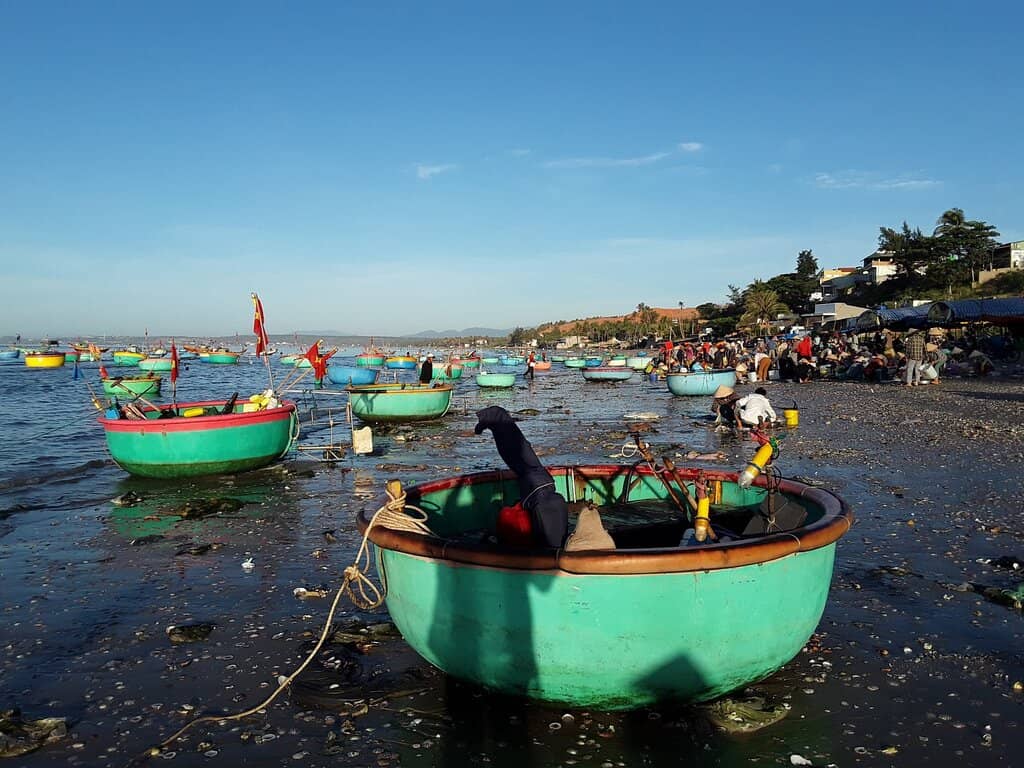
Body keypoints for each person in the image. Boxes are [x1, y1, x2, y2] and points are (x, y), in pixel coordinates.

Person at [473, 406, 568, 549]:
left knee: (520, 456)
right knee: (521, 455)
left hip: (539, 489)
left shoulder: (525, 512)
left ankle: (494, 417)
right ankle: (495, 417)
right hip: (541, 488)